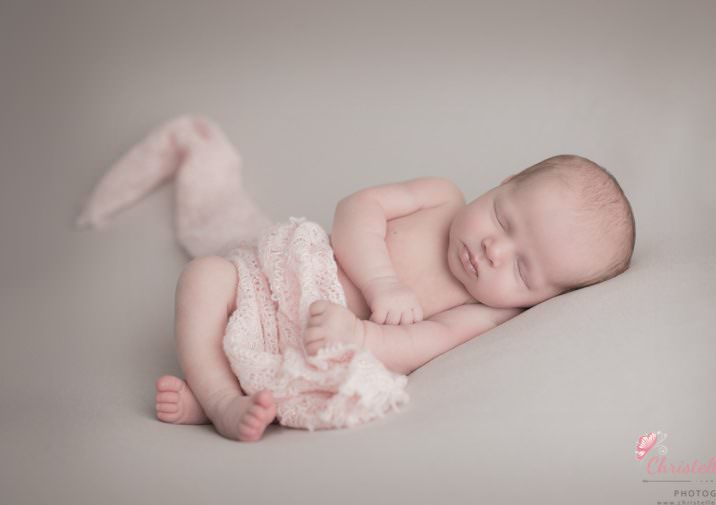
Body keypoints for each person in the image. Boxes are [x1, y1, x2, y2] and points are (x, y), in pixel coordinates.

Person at [154, 153, 635, 441]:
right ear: (504, 182)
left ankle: (220, 401)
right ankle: (218, 396)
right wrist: (381, 282)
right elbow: (357, 208)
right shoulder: (441, 197)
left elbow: (421, 342)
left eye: (522, 269)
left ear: (542, 300)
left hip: (321, 341)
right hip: (269, 286)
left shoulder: (485, 312)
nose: (494, 250)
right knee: (203, 278)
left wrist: (359, 335)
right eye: (503, 219)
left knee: (301, 388)